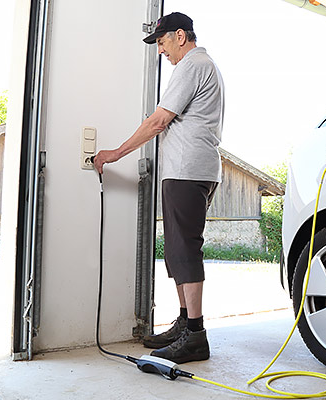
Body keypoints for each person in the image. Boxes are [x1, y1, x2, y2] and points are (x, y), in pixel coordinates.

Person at [93, 12, 224, 364]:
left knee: (184, 249)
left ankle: (195, 335)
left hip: (188, 170)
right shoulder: (200, 65)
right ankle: (185, 323)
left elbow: (158, 121)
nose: (161, 50)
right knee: (177, 250)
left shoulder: (193, 65)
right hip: (191, 169)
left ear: (180, 36)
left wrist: (115, 153)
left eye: (163, 42)